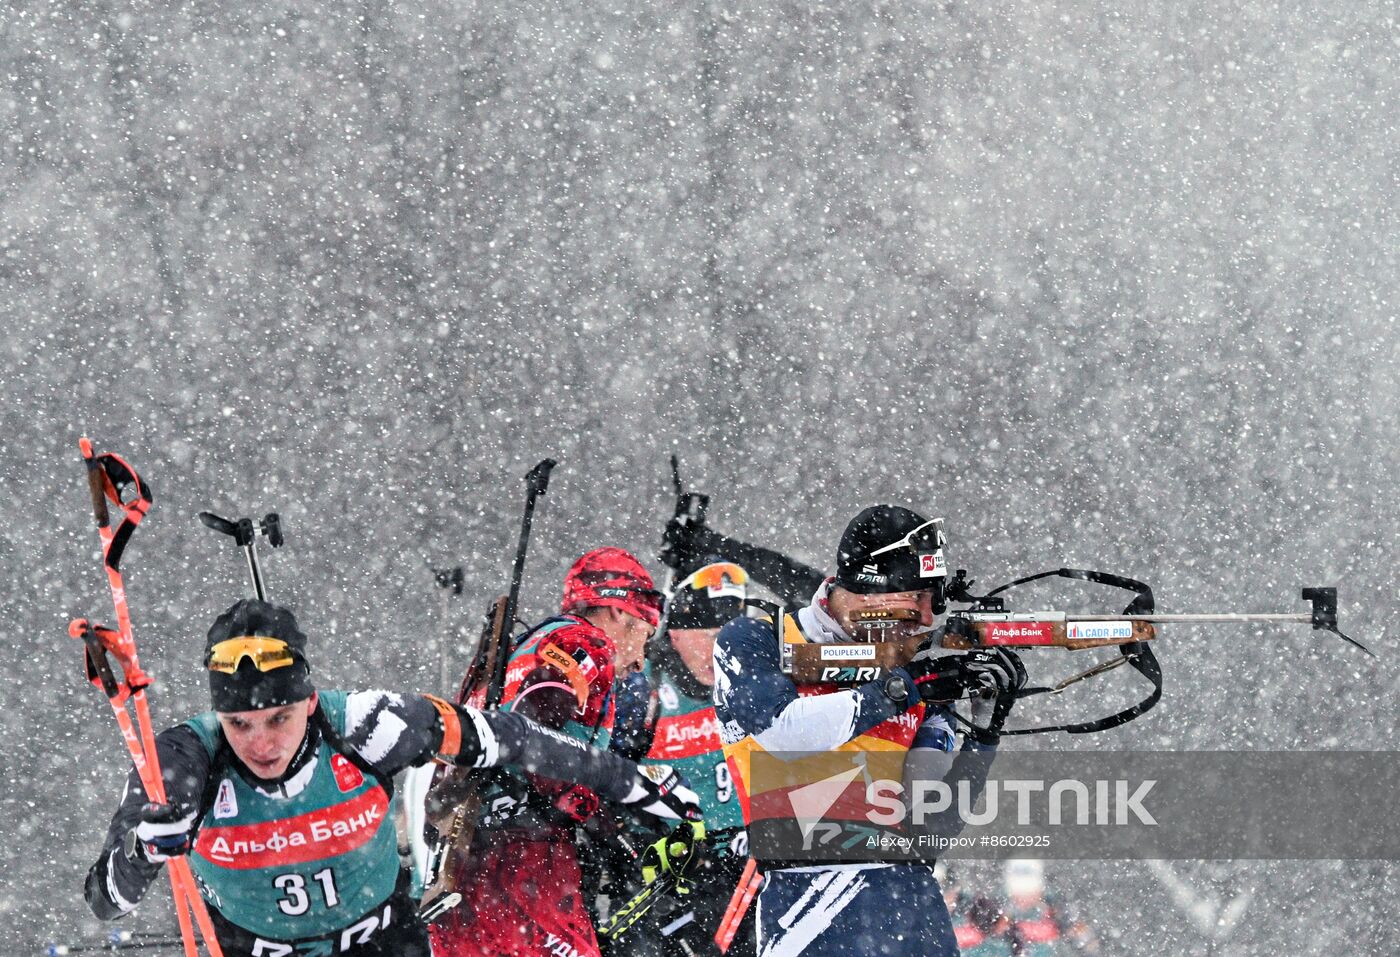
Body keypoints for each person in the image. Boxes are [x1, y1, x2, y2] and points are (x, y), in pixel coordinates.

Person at [85, 598, 700, 957]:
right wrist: (143, 851)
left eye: (279, 717)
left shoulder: (367, 724)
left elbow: (513, 739)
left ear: (308, 699)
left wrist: (637, 787)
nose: (262, 743)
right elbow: (106, 900)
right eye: (240, 724)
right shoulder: (181, 763)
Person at [713, 505, 1027, 957]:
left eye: (933, 602)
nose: (924, 618)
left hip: (911, 905)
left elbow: (928, 827)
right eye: (916, 597)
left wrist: (983, 735)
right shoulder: (757, 640)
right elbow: (783, 732)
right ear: (869, 586)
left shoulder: (911, 663)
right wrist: (902, 689)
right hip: (808, 899)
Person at [431, 547, 669, 957]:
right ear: (618, 611)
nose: (639, 662)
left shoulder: (523, 648)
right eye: (644, 637)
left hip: (462, 862)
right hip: (524, 859)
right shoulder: (586, 642)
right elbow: (537, 720)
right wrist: (594, 817)